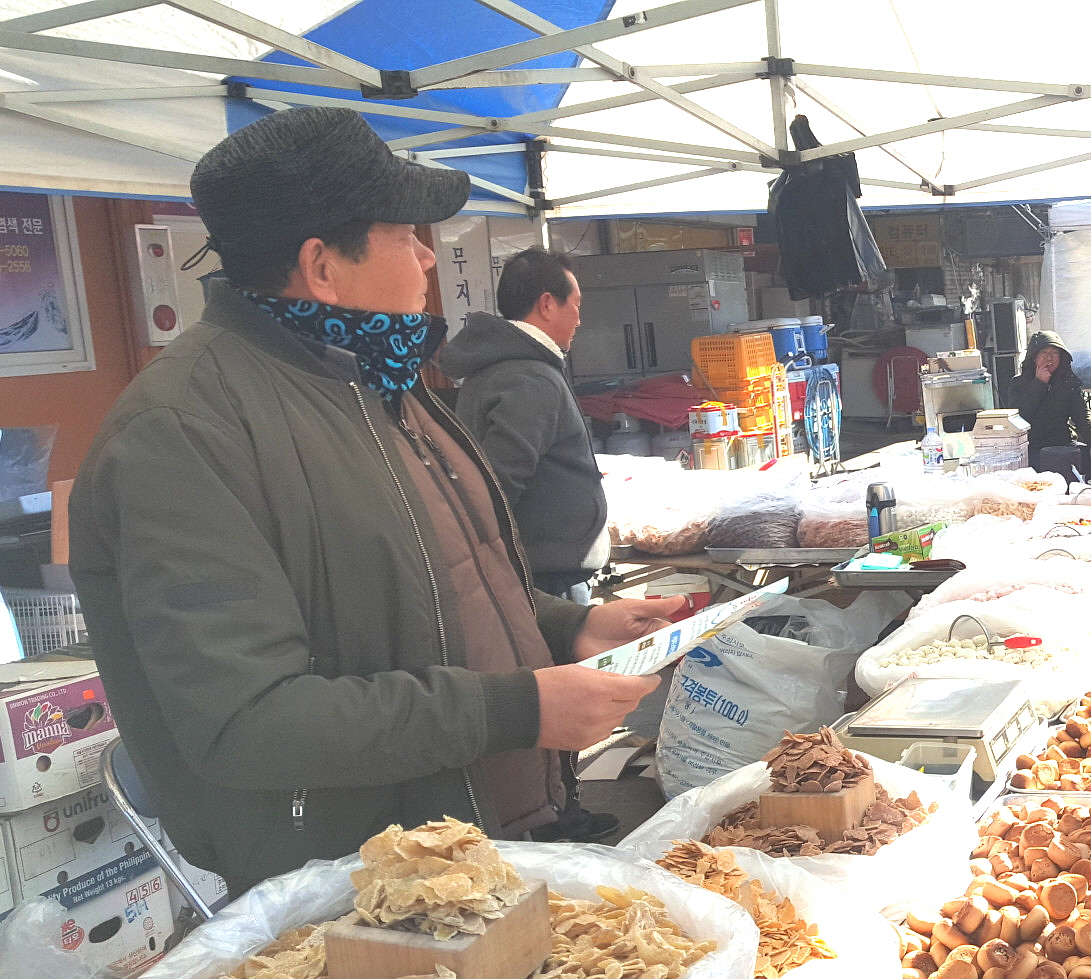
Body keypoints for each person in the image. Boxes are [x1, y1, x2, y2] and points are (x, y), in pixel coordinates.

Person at [68, 107, 680, 896]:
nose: (428, 257)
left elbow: (439, 578)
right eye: (406, 234)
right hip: (352, 893)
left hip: (477, 849)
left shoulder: (374, 377)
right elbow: (248, 722)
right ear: (322, 265)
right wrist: (515, 709)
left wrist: (569, 624)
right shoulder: (181, 433)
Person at [442, 248, 609, 601]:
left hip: (536, 569)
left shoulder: (504, 366)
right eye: (575, 305)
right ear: (547, 304)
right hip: (543, 579)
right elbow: (499, 481)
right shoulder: (529, 377)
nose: (579, 319)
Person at [1011, 331, 1091, 482]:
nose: (1049, 358)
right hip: (1033, 447)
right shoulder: (1018, 383)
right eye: (1044, 352)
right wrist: (1039, 384)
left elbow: (1083, 416)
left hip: (1063, 443)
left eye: (1054, 353)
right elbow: (1019, 418)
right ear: (1034, 356)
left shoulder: (1068, 383)